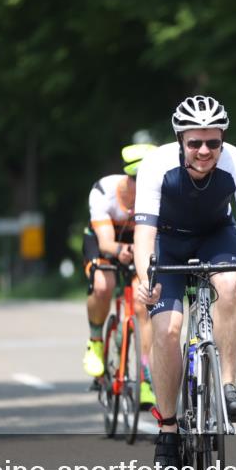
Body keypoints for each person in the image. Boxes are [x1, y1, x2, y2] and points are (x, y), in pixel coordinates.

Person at [133, 95, 236, 470]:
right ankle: (167, 428)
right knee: (166, 330)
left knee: (229, 287)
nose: (204, 150)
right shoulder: (156, 165)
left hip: (216, 235)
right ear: (180, 139)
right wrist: (143, 276)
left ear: (223, 139)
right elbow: (144, 233)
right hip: (167, 241)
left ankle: (228, 385)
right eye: (195, 142)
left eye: (213, 142)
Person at [82, 143, 157, 407]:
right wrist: (121, 249)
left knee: (143, 300)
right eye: (142, 182)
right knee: (103, 284)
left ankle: (147, 377)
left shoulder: (160, 195)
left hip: (140, 243)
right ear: (129, 179)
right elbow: (105, 242)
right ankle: (96, 341)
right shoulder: (104, 191)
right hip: (106, 241)